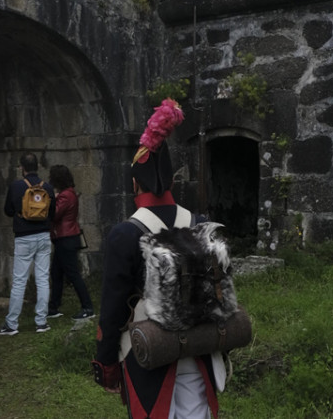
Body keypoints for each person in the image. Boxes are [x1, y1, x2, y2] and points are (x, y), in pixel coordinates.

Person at [93, 99, 218, 418]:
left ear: (134, 183)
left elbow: (112, 308)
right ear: (172, 181)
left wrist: (106, 362)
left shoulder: (125, 234)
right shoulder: (200, 223)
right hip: (198, 347)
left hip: (148, 350)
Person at [0, 152, 56, 336]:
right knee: (42, 278)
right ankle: (41, 322)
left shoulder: (16, 186)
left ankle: (12, 324)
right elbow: (52, 213)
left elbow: (7, 210)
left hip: (23, 237)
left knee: (19, 281)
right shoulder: (46, 187)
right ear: (37, 167)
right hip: (43, 236)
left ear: (22, 168)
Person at [46, 164, 95, 321]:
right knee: (57, 273)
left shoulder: (65, 196)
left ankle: (87, 307)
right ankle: (53, 307)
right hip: (65, 237)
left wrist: (51, 199)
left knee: (73, 274)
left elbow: (54, 215)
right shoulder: (69, 194)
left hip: (65, 238)